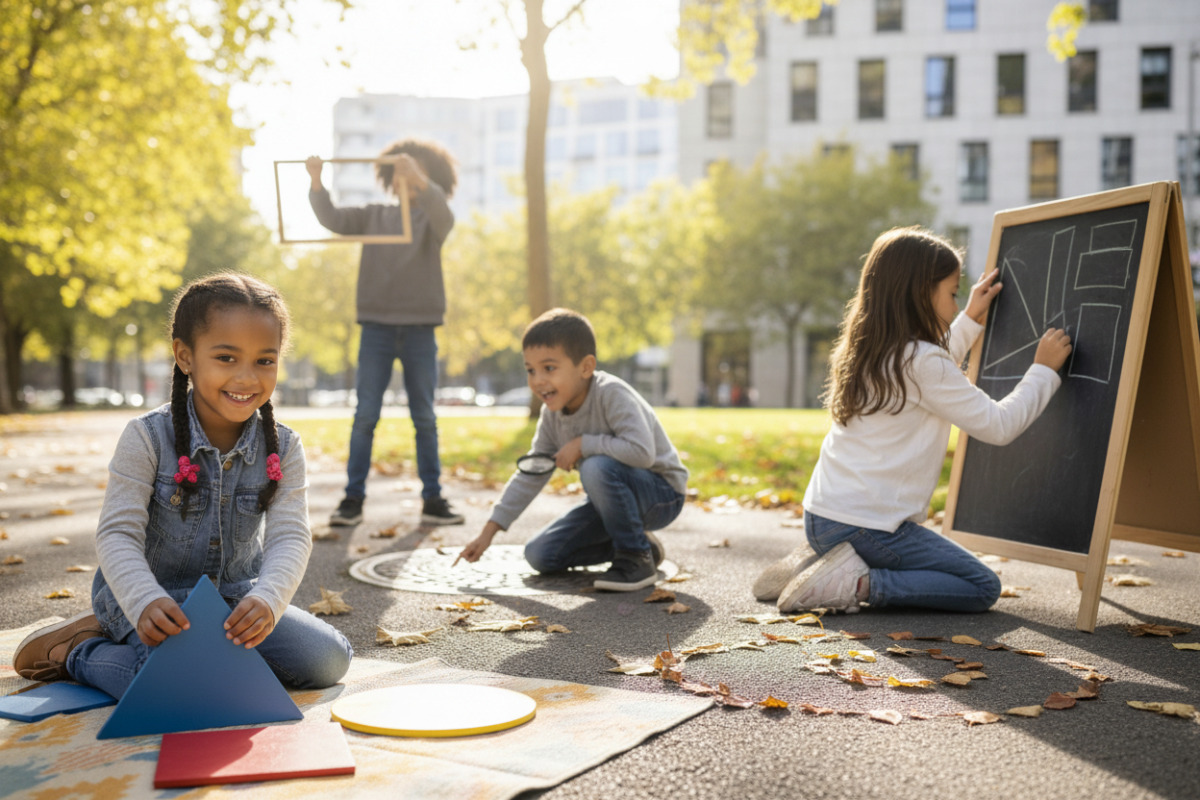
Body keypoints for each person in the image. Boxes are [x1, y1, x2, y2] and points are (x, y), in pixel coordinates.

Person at [13, 273, 353, 697]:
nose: (247, 378)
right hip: (154, 602)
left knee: (328, 659)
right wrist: (142, 601)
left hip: (235, 599)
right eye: (226, 358)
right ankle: (77, 651)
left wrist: (268, 599)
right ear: (185, 356)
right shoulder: (146, 438)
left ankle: (212, 664)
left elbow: (290, 535)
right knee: (182, 691)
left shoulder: (283, 446)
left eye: (264, 361)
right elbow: (117, 534)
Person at [756, 226, 1073, 614]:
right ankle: (854, 581)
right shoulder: (923, 362)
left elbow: (932, 373)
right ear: (922, 292)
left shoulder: (872, 349)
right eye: (952, 294)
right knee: (980, 585)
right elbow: (999, 425)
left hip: (823, 517)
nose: (955, 306)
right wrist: (1043, 370)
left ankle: (826, 560)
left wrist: (971, 318)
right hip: (867, 527)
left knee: (951, 572)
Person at [454, 308, 689, 592]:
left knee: (595, 465)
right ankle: (644, 546)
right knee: (540, 555)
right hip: (613, 505)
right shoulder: (552, 415)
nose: (537, 380)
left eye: (549, 368)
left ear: (586, 367)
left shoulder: (611, 394)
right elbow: (531, 474)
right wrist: (488, 533)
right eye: (530, 370)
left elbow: (642, 453)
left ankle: (635, 557)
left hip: (662, 494)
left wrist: (583, 444)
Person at [306, 138, 463, 527]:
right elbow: (332, 218)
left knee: (424, 416)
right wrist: (316, 181)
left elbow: (444, 214)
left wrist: (419, 178)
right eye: (399, 173)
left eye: (415, 173)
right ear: (388, 179)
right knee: (365, 415)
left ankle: (433, 498)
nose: (405, 179)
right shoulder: (374, 215)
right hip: (376, 328)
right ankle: (352, 499)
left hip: (420, 329)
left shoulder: (433, 218)